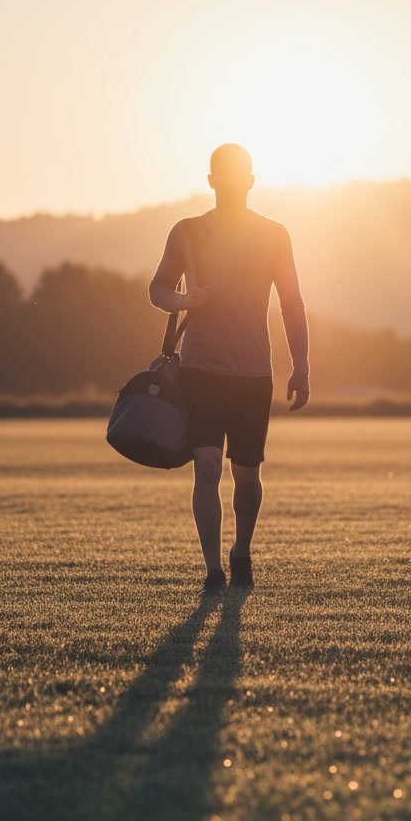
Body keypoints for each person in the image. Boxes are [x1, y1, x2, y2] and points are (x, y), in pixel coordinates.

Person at [148, 143, 311, 596]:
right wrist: (183, 300)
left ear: (251, 181)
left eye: (240, 175)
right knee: (205, 467)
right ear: (211, 180)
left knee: (247, 475)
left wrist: (302, 366)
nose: (232, 182)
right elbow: (158, 287)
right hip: (201, 370)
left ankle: (241, 550)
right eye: (224, 174)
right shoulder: (187, 232)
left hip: (253, 373)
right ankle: (213, 570)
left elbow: (292, 303)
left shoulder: (275, 234)